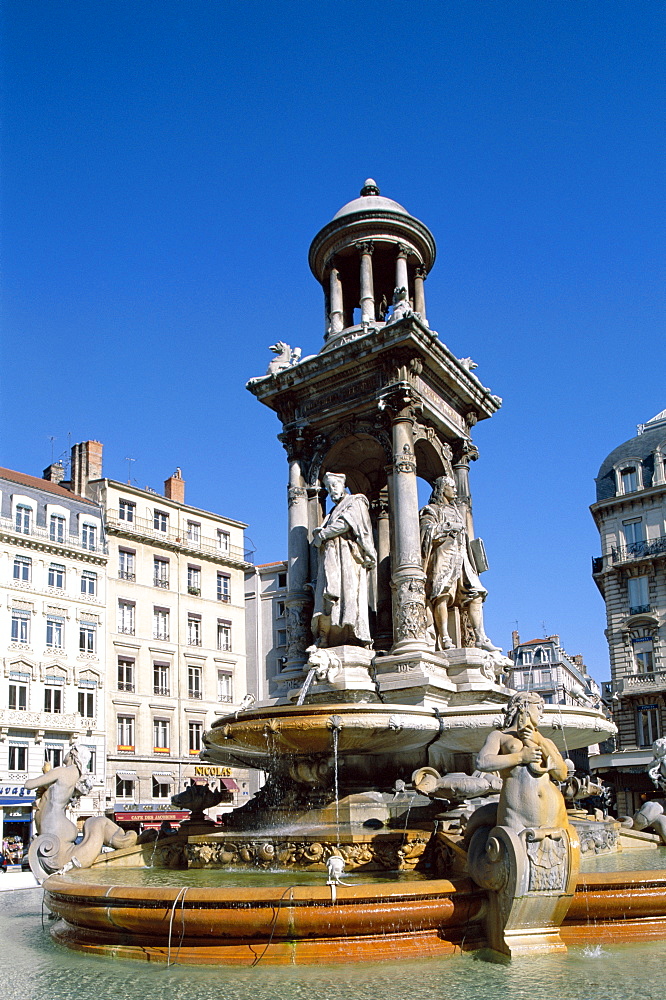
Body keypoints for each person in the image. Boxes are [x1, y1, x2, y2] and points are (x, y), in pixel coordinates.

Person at [420, 475, 497, 651]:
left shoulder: (456, 511)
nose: (455, 490)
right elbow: (425, 532)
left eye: (455, 486)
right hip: (443, 558)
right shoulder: (431, 510)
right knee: (442, 594)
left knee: (476, 594)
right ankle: (445, 637)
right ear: (442, 489)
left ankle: (480, 636)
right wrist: (446, 527)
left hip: (462, 559)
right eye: (451, 487)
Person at [475, 691, 569, 833]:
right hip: (516, 816)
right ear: (523, 707)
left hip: (553, 819)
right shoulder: (500, 736)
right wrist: (520, 757)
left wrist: (539, 740)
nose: (541, 714)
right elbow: (482, 762)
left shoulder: (545, 741)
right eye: (538, 708)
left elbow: (561, 774)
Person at [311, 472, 376, 648]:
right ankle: (328, 635)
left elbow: (347, 523)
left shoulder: (356, 501)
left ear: (343, 485)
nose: (332, 491)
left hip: (348, 556)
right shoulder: (332, 512)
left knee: (349, 595)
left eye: (334, 486)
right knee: (330, 597)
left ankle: (352, 633)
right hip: (332, 556)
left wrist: (323, 534)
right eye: (329, 488)